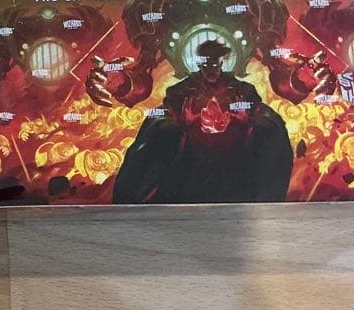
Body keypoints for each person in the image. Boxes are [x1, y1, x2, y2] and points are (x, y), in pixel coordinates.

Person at [113, 40, 292, 203]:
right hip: (190, 169)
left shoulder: (243, 90)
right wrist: (182, 123)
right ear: (199, 64)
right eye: (206, 65)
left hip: (234, 169)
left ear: (221, 63)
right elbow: (159, 121)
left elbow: (266, 120)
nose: (211, 71)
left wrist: (248, 121)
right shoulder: (180, 91)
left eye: (214, 65)